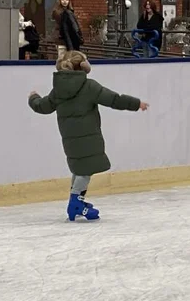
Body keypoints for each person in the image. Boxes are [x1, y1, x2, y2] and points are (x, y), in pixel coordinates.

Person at [28, 51, 148, 221]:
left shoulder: (58, 91)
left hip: (70, 138)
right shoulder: (89, 86)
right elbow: (114, 100)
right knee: (85, 171)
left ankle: (77, 201)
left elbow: (42, 107)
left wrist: (33, 98)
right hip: (89, 137)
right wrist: (136, 104)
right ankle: (75, 203)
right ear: (84, 67)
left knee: (80, 168)